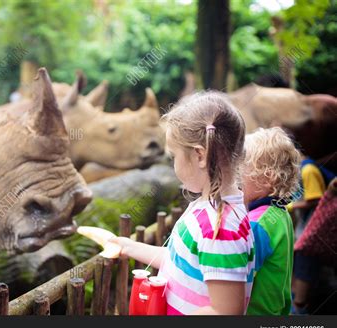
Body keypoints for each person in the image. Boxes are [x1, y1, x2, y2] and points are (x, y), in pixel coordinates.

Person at [110, 92, 254, 315]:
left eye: (173, 156)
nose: (173, 164)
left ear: (199, 156)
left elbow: (225, 311)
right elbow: (179, 260)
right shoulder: (205, 209)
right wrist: (129, 247)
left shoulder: (220, 230)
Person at [241, 127, 300, 315]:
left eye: (240, 171)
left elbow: (237, 276)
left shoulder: (257, 224)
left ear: (267, 179)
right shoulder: (280, 213)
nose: (235, 179)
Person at [289, 155, 335, 314]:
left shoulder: (307, 169)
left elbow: (315, 198)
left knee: (305, 265)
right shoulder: (304, 168)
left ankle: (299, 309)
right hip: (308, 229)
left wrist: (291, 206)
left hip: (312, 231)